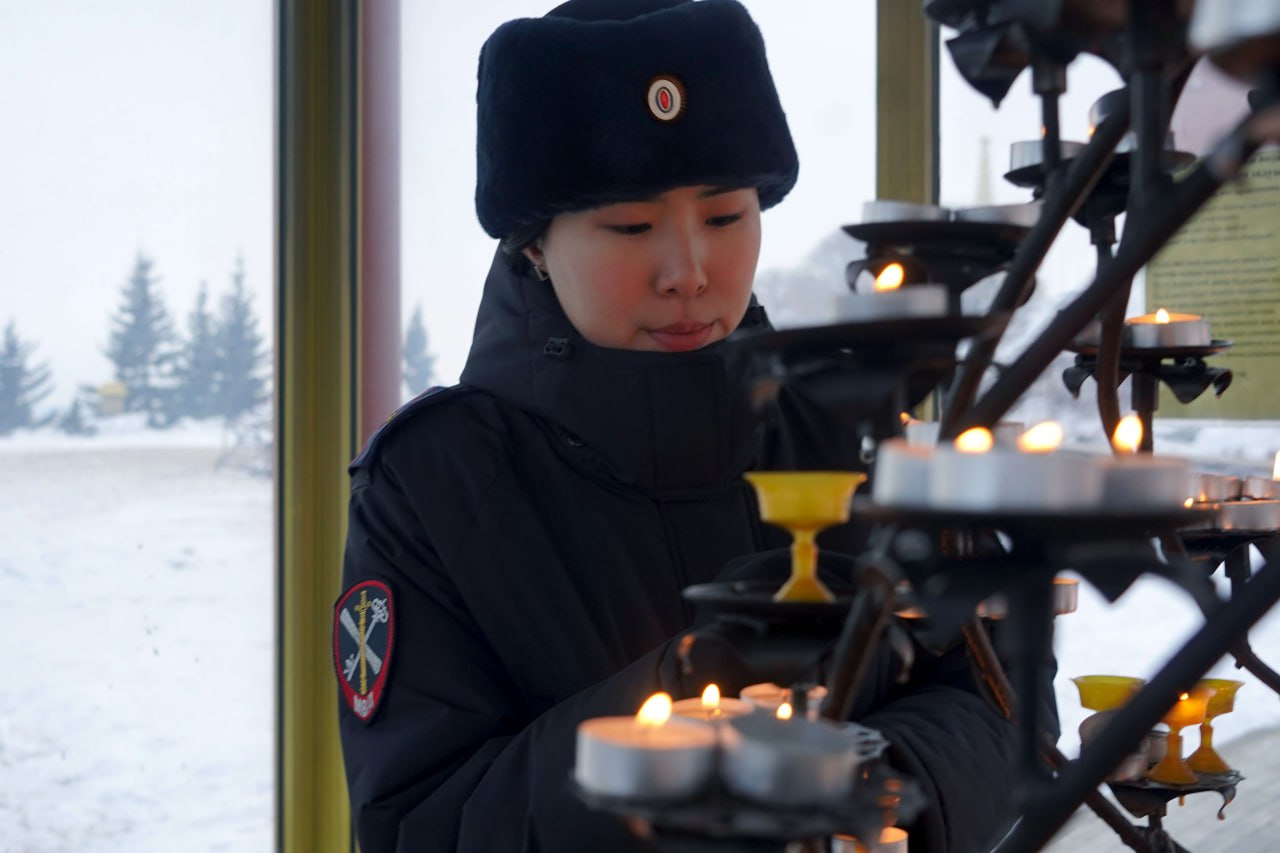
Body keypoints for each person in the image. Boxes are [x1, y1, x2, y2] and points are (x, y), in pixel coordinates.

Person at [334, 1, 1031, 850]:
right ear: (534, 246)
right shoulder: (437, 484)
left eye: (726, 216)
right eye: (629, 225)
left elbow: (1000, 695)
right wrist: (676, 694)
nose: (689, 272)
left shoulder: (852, 430)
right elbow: (421, 821)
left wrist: (876, 788)